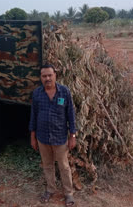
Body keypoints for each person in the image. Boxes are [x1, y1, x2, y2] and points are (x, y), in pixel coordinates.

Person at [29, 64, 77, 206]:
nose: (47, 78)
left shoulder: (64, 92)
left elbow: (71, 115)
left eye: (50, 75)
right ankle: (50, 189)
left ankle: (68, 193)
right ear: (41, 78)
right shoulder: (37, 93)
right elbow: (33, 115)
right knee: (47, 165)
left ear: (55, 75)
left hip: (60, 137)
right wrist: (33, 136)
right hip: (42, 137)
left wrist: (72, 135)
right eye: (44, 76)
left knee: (64, 166)